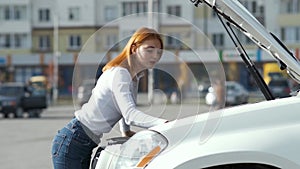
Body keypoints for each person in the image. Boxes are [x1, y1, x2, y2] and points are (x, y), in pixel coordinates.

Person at [51, 27, 168, 169]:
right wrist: (164, 123)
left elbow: (125, 110)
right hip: (73, 140)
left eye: (159, 51)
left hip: (84, 143)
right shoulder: (120, 74)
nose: (155, 56)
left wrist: (126, 131)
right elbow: (130, 114)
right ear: (134, 48)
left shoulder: (134, 78)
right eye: (149, 50)